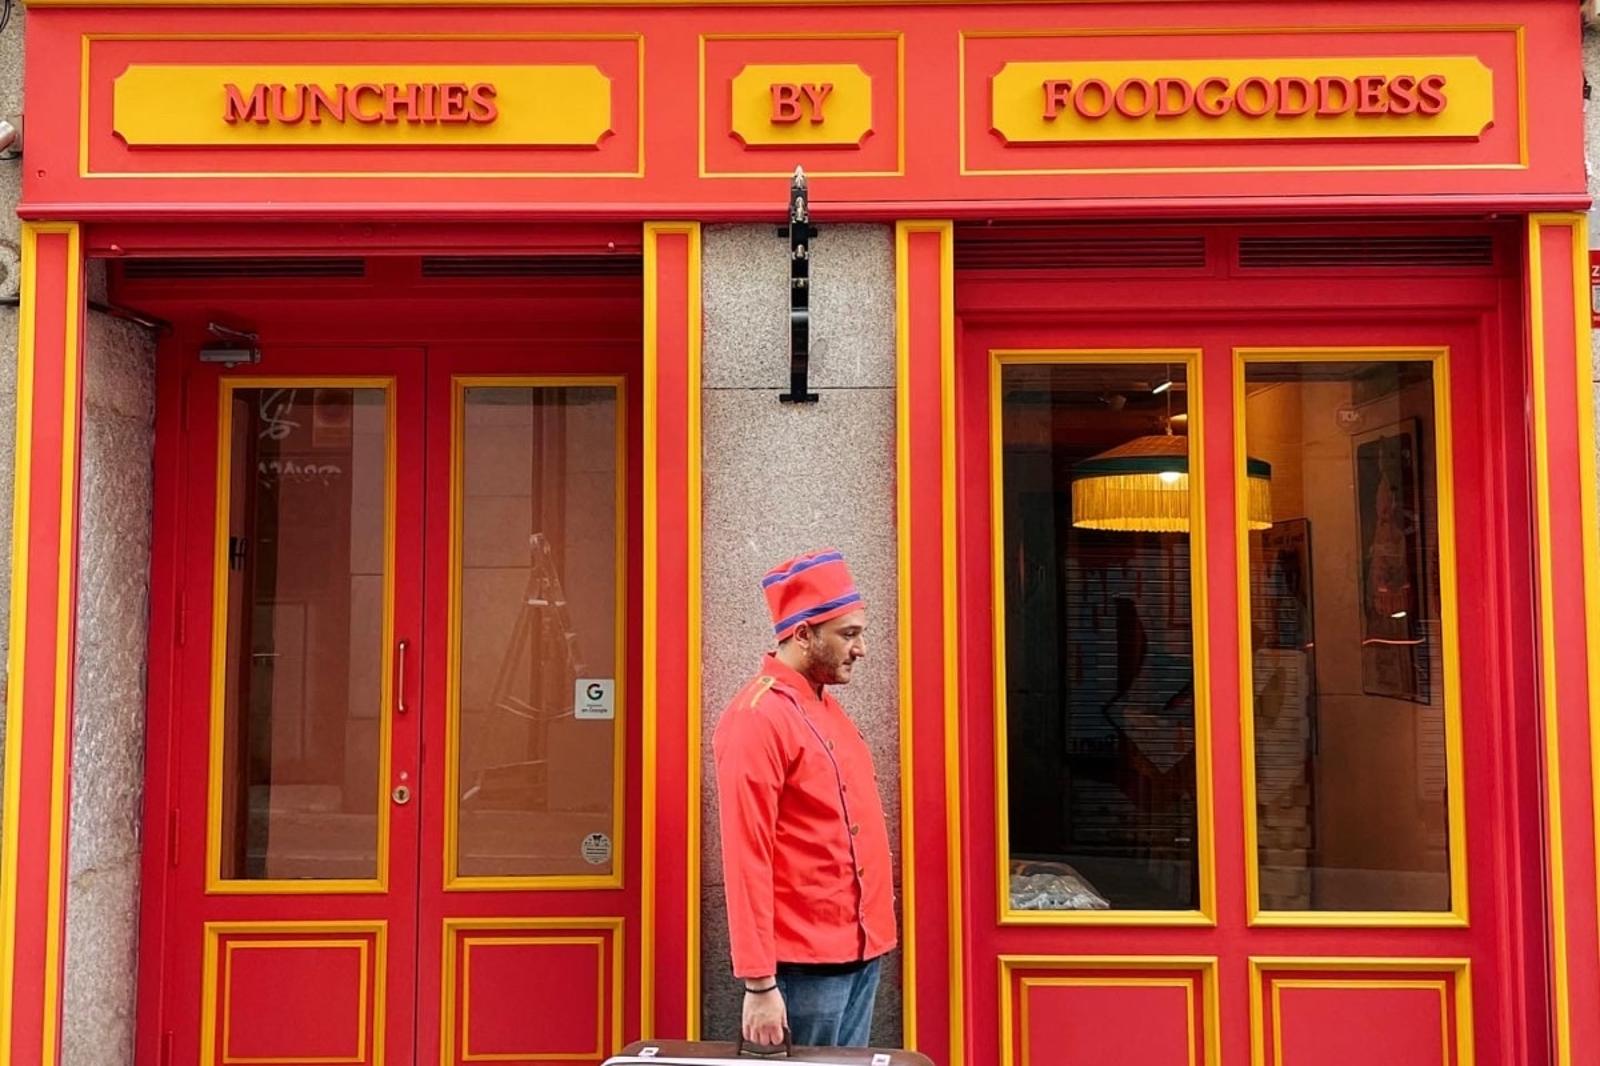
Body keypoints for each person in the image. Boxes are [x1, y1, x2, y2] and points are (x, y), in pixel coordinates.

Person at [713, 548, 897, 1049]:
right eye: (848, 634)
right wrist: (759, 982)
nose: (861, 649)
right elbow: (746, 855)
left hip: (860, 949)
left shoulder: (826, 707)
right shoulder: (756, 717)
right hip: (802, 963)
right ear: (802, 634)